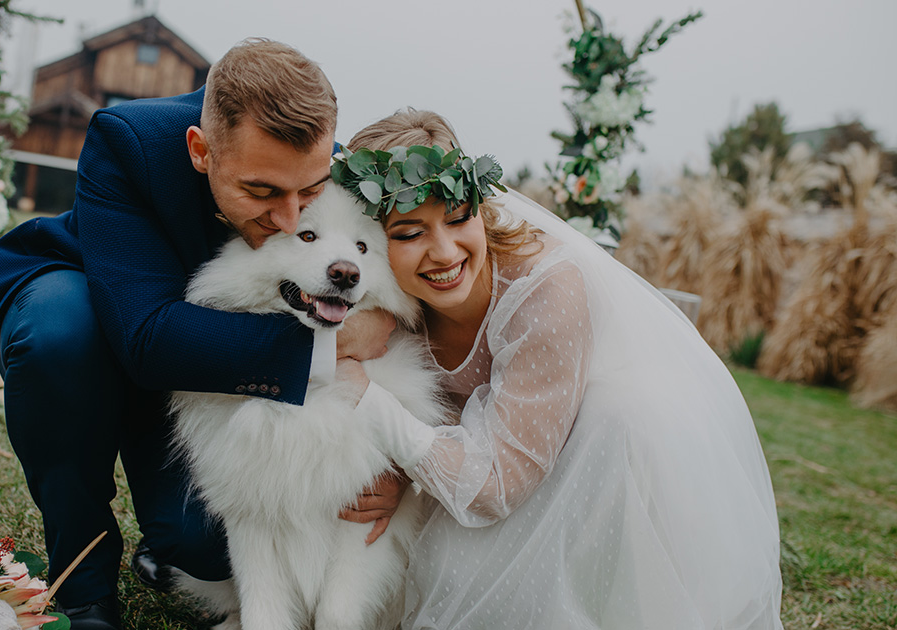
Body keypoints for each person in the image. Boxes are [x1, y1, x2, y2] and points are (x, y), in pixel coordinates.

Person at [0, 39, 392, 630]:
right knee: (59, 332)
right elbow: (147, 339)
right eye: (262, 192)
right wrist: (331, 344)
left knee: (206, 546)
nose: (291, 218)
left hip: (216, 372)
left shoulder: (322, 167)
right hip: (105, 321)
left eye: (308, 192)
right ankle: (83, 587)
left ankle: (164, 546)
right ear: (200, 150)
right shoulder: (128, 141)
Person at [334, 109, 783, 629]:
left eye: (459, 218)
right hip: (487, 459)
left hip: (597, 459)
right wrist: (390, 471)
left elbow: (494, 487)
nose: (444, 251)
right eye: (410, 232)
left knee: (457, 570)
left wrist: (369, 402)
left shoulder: (546, 290)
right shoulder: (382, 290)